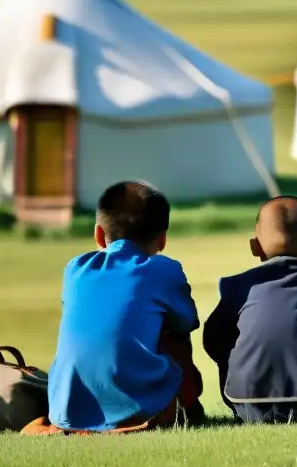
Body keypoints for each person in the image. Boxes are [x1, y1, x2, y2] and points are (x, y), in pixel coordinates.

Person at [21, 181, 205, 435]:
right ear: (162, 239)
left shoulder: (75, 268)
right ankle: (190, 409)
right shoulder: (164, 269)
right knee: (173, 334)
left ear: (98, 234)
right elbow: (187, 321)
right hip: (141, 412)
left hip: (64, 414)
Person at [202, 196, 297, 424]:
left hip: (246, 400)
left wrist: (234, 360)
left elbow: (213, 340)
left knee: (229, 348)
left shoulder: (238, 286)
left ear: (255, 246)